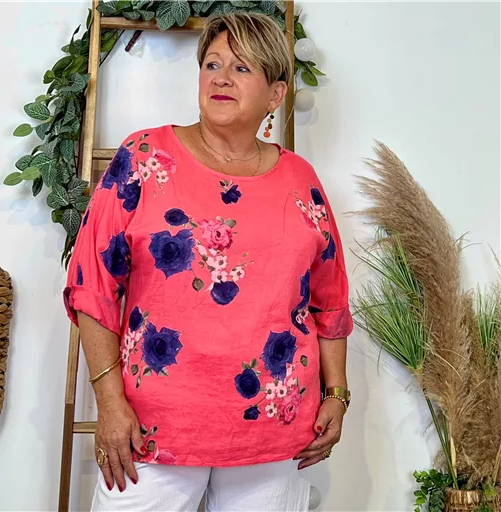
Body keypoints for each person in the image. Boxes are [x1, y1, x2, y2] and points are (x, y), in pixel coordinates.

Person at [63, 11, 353, 512]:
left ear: (275, 94)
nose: (220, 78)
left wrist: (338, 394)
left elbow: (329, 300)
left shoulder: (300, 179)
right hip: (150, 429)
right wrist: (109, 402)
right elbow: (92, 286)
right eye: (212, 64)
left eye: (241, 68)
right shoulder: (144, 156)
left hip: (274, 430)